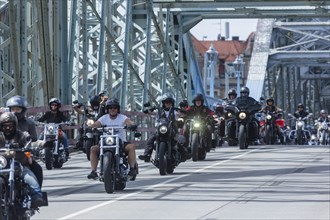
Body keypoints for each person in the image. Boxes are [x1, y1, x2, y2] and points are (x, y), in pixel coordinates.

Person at [0, 112, 44, 208]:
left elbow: (31, 142)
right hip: (2, 166)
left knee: (30, 178)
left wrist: (43, 144)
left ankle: (37, 196)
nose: (8, 128)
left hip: (19, 165)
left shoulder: (21, 134)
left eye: (10, 126)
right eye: (5, 126)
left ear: (15, 126)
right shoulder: (0, 136)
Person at [87, 98, 138, 179]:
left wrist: (132, 125)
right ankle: (93, 171)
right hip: (106, 142)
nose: (112, 109)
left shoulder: (122, 117)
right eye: (110, 108)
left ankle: (132, 169)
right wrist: (91, 126)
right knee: (93, 148)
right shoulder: (104, 118)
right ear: (108, 109)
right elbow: (97, 124)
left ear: (117, 109)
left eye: (114, 108)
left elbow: (129, 122)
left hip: (120, 142)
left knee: (131, 147)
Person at [6, 95, 44, 187]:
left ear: (23, 110)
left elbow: (33, 140)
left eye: (17, 109)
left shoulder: (29, 123)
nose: (15, 112)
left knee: (37, 169)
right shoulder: (4, 122)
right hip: (5, 159)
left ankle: (38, 196)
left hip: (22, 157)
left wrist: (30, 154)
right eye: (13, 109)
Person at [138, 93, 184, 162]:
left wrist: (184, 112)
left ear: (172, 103)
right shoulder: (158, 110)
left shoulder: (174, 111)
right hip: (160, 129)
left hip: (171, 130)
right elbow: (151, 113)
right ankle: (147, 155)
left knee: (178, 140)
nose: (168, 103)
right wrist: (148, 110)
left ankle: (184, 154)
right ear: (163, 103)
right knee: (151, 138)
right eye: (166, 102)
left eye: (170, 102)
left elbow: (181, 114)